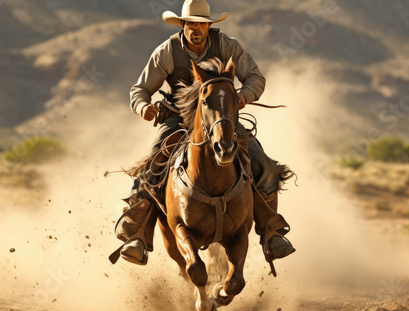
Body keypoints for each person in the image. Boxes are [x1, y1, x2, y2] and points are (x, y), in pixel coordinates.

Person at [113, 0, 295, 272]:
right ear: (182, 25)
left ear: (209, 25)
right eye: (190, 23)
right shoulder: (167, 51)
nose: (195, 28)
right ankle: (137, 234)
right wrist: (144, 107)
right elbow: (139, 90)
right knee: (152, 165)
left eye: (200, 23)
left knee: (261, 163)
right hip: (178, 119)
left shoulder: (228, 46)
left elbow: (255, 78)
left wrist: (242, 97)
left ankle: (271, 232)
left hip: (221, 116)